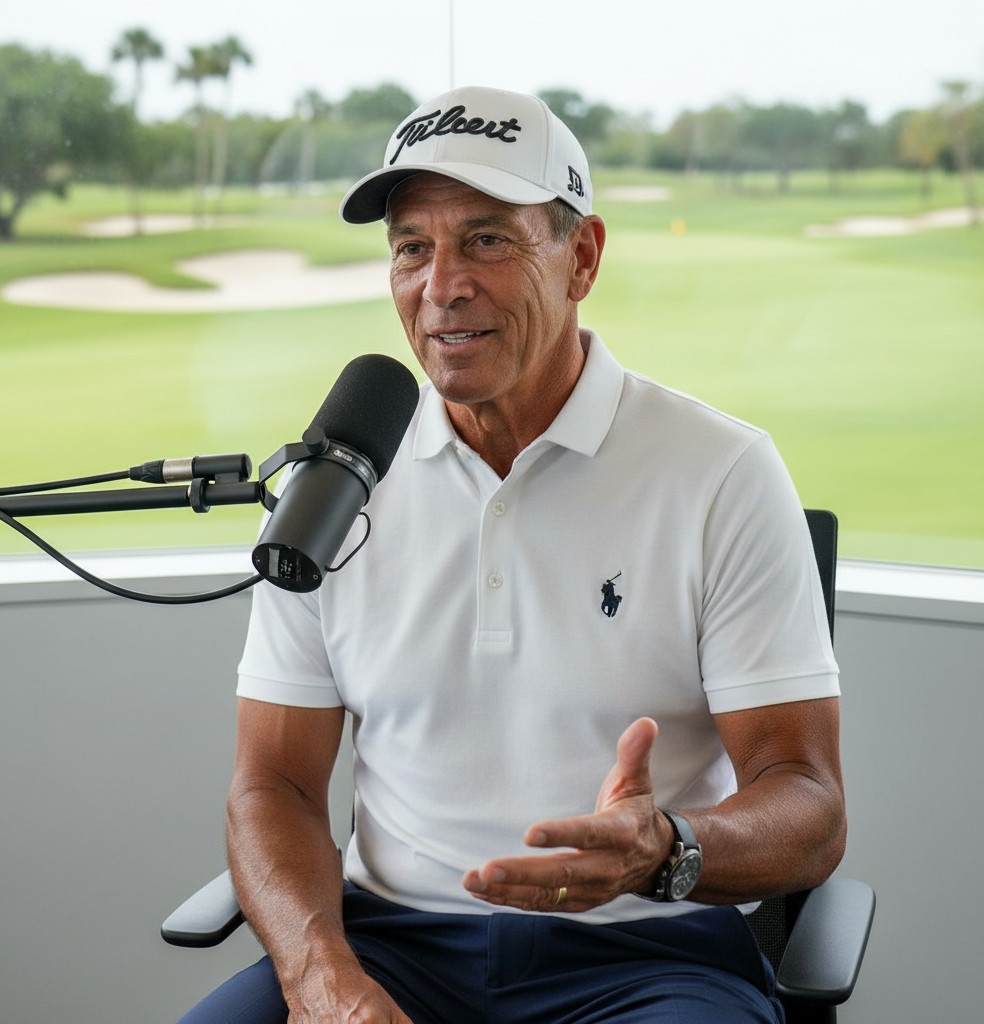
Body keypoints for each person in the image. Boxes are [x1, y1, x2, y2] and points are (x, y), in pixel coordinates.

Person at [179, 86, 845, 1024]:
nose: (442, 283)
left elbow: (809, 805)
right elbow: (272, 784)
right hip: (388, 946)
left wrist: (663, 847)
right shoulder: (327, 495)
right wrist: (320, 978)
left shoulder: (722, 472)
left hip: (647, 957)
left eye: (488, 239)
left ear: (583, 257)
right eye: (412, 246)